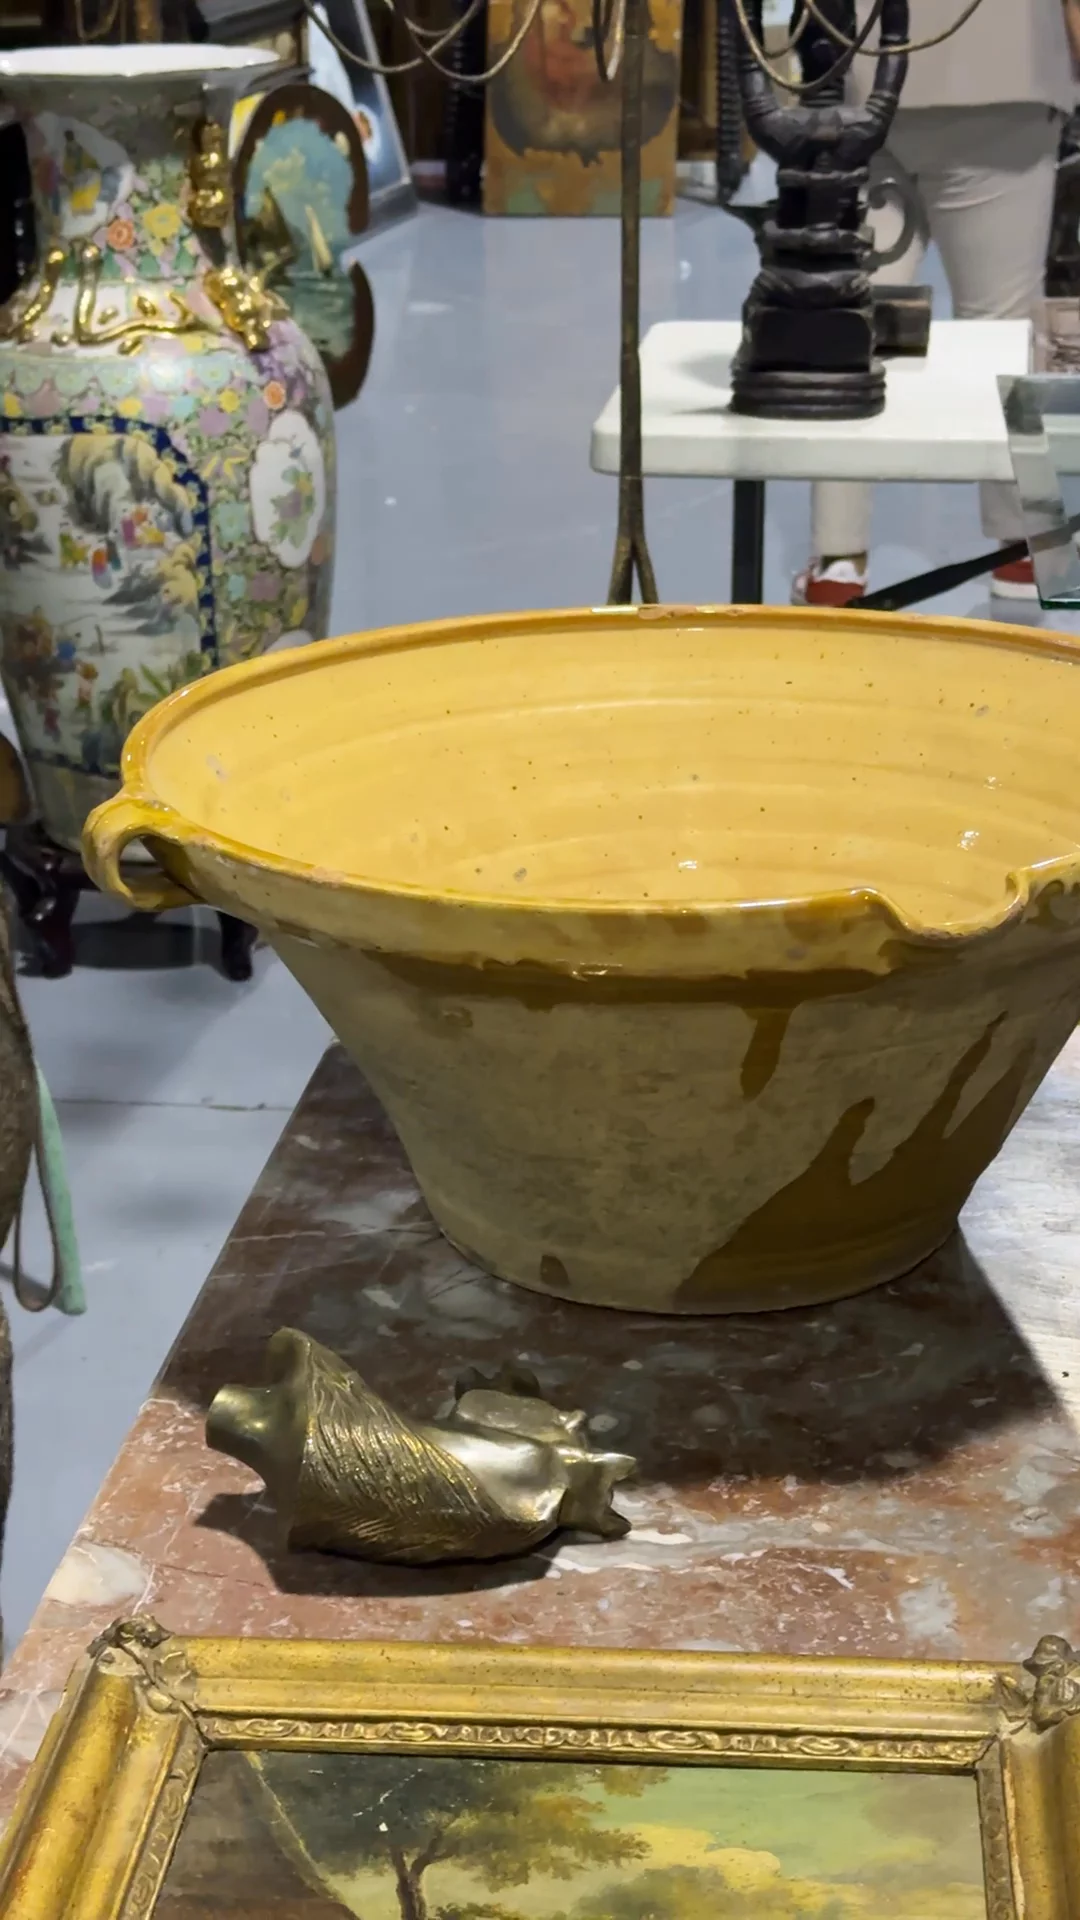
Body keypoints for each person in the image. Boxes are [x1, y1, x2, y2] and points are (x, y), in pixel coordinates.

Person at [794, 0, 1080, 606]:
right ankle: (1023, 549)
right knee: (1005, 324)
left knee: (853, 317)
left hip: (868, 67)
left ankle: (837, 559)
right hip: (1008, 71)